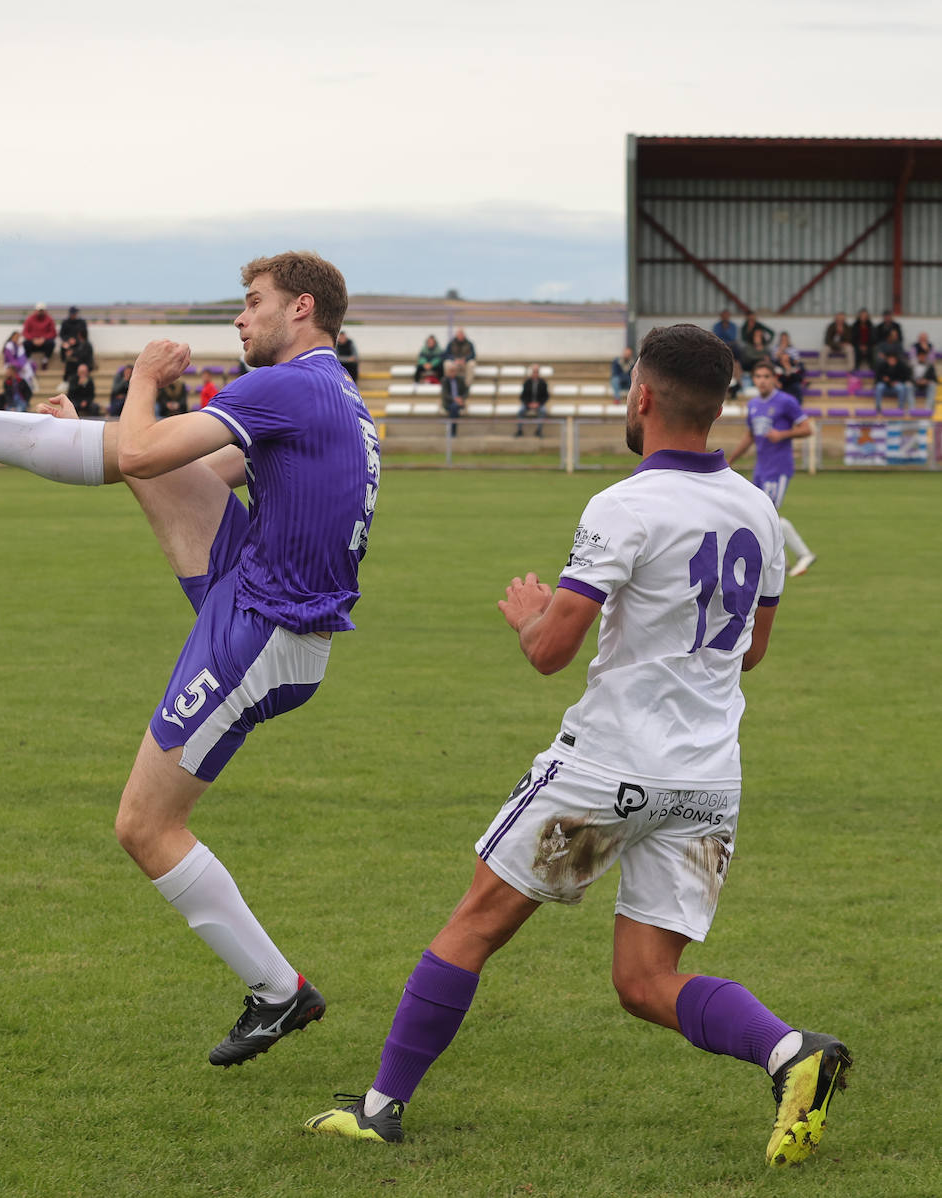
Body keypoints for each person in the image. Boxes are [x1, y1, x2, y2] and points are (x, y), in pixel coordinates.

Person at [304, 326, 850, 1167]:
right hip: (707, 785)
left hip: (607, 775)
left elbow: (551, 651)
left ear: (641, 398)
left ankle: (379, 1109)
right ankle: (790, 1053)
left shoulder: (623, 506)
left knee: (474, 925)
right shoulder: (758, 511)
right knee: (643, 980)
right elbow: (754, 651)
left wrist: (530, 616)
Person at [0, 251, 380, 1067]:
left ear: (301, 310)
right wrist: (97, 430)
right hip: (257, 592)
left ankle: (280, 992)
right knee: (134, 452)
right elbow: (173, 467)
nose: (239, 317)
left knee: (145, 826)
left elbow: (145, 452)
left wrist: (141, 381)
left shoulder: (289, 385)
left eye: (251, 303)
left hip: (265, 629)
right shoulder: (326, 391)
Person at [727, 359, 816, 578]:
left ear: (774, 379)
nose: (762, 381)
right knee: (759, 514)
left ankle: (805, 554)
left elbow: (807, 429)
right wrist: (730, 461)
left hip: (779, 467)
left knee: (769, 516)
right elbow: (750, 435)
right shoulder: (753, 405)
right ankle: (782, 562)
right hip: (761, 467)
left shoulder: (786, 401)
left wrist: (783, 435)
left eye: (766, 377)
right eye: (758, 377)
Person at [873, 346, 912, 417]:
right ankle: (878, 407)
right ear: (887, 359)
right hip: (885, 384)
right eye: (889, 359)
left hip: (897, 384)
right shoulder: (882, 365)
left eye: (893, 359)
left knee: (901, 388)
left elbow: (906, 377)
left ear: (896, 359)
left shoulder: (901, 365)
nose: (891, 361)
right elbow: (878, 377)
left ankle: (901, 408)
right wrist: (884, 379)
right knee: (879, 387)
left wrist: (897, 381)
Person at [514, 364, 550, 437]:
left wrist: (538, 403)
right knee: (520, 411)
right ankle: (519, 430)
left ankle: (539, 431)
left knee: (543, 411)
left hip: (539, 404)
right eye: (534, 372)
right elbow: (523, 396)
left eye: (536, 372)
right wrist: (528, 403)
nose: (535, 373)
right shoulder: (527, 382)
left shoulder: (543, 383)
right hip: (528, 404)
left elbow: (546, 396)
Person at [22, 302, 57, 369]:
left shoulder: (49, 319)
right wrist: (33, 339)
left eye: (42, 310)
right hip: (33, 342)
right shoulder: (30, 319)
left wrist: (44, 339)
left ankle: (45, 361)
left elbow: (53, 332)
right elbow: (25, 332)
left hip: (44, 342)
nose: (40, 312)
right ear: (35, 311)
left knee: (51, 343)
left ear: (45, 311)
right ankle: (30, 362)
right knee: (25, 344)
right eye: (39, 310)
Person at [771, 332, 805, 403]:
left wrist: (789, 369)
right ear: (780, 361)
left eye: (787, 360)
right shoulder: (777, 367)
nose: (785, 361)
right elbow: (779, 378)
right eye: (784, 360)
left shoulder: (794, 367)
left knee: (797, 387)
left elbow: (798, 378)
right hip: (781, 384)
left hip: (792, 384)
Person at [440, 358, 467, 436]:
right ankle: (453, 431)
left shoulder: (460, 380)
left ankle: (451, 429)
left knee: (454, 408)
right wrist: (455, 399)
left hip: (460, 403)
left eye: (453, 371)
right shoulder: (444, 380)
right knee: (454, 407)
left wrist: (461, 399)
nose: (452, 373)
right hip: (449, 403)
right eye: (450, 371)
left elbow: (465, 391)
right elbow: (445, 394)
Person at [911, 334, 937, 413]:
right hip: (915, 383)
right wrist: (916, 381)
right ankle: (912, 408)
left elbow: (934, 378)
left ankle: (928, 408)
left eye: (924, 356)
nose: (922, 357)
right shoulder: (912, 364)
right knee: (907, 386)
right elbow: (908, 376)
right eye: (920, 356)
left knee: (933, 385)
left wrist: (926, 381)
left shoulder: (930, 365)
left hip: (926, 383)